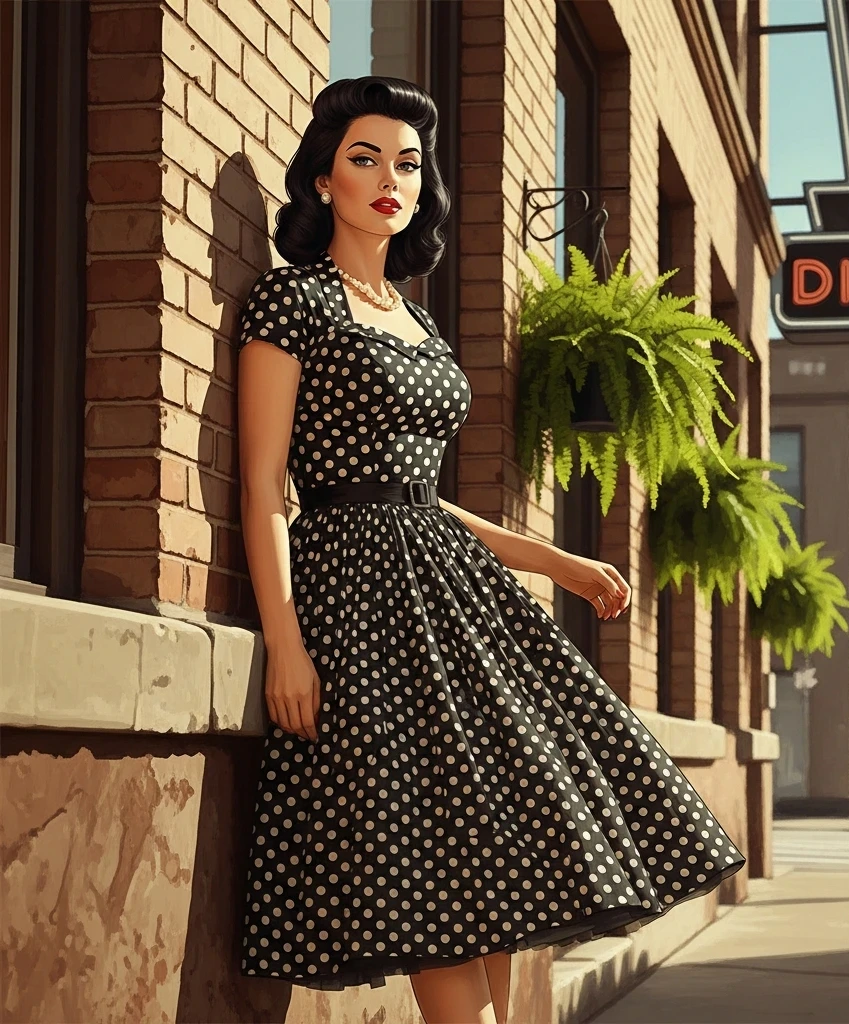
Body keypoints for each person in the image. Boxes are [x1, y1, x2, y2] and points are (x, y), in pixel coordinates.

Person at [236, 75, 745, 1024]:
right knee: (432, 864)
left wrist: (556, 561)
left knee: (499, 862)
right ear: (320, 183)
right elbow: (268, 485)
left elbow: (424, 496)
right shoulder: (292, 301)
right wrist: (288, 641)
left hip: (452, 591)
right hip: (357, 597)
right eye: (365, 158)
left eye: (408, 163)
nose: (391, 178)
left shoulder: (418, 319)